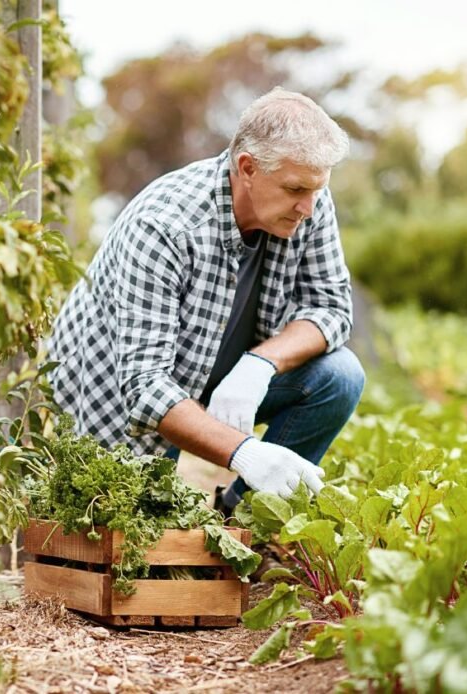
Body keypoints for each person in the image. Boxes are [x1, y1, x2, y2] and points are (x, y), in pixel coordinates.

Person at [46, 87, 365, 513]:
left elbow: (331, 307)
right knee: (130, 536)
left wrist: (260, 365)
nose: (307, 206)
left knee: (339, 375)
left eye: (316, 190)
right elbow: (144, 387)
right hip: (121, 395)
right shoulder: (164, 225)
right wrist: (246, 454)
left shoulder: (308, 201)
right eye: (295, 190)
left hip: (224, 380)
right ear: (247, 168)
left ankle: (245, 515)